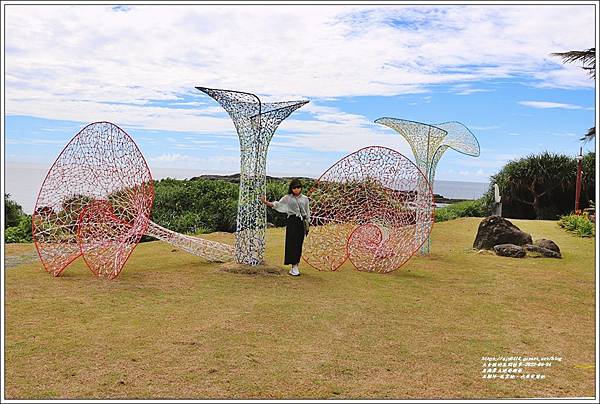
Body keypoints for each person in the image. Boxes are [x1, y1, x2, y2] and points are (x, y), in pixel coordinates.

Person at [260, 178, 310, 276]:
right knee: (291, 243)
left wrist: (307, 223)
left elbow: (307, 212)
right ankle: (293, 266)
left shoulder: (305, 198)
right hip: (292, 221)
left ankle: (296, 265)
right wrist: (266, 202)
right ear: (291, 188)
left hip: (301, 222)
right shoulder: (288, 198)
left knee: (298, 244)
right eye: (294, 188)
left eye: (298, 187)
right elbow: (278, 205)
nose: (297, 189)